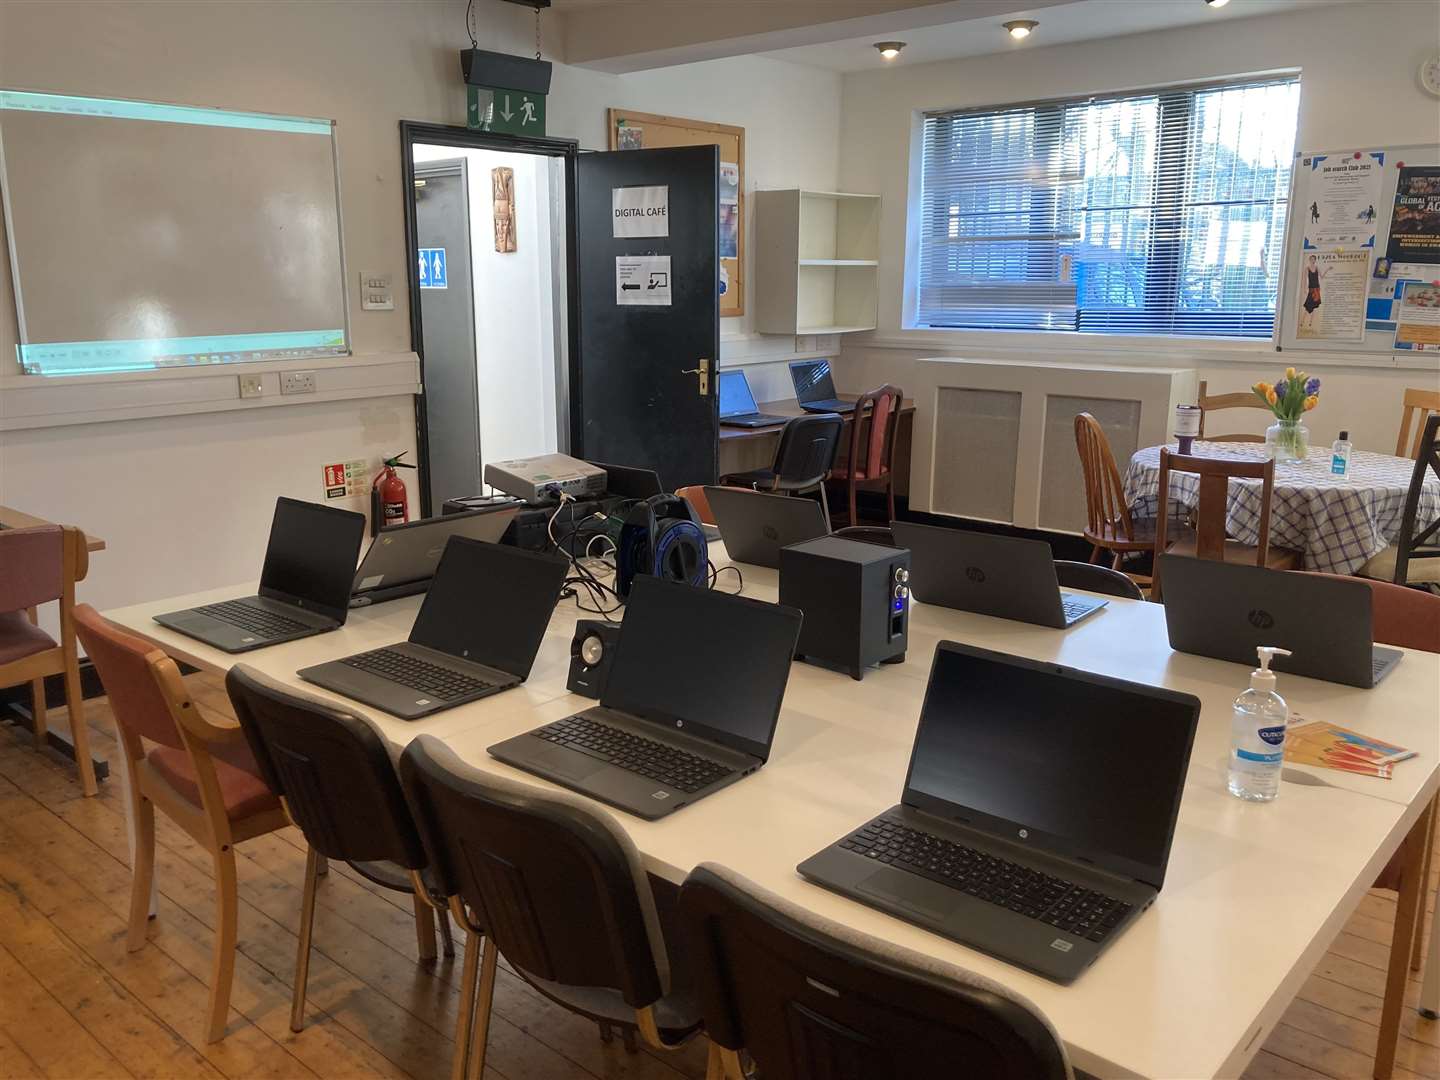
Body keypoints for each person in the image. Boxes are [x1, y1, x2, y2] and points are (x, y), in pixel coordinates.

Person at [1299, 254, 1330, 332]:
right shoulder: (1307, 268)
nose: (1312, 260)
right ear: (1309, 260)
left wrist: (1328, 269)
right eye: (1311, 259)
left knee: (1314, 306)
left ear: (1315, 260)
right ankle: (1302, 322)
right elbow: (1304, 279)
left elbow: (1322, 276)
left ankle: (1310, 323)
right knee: (1307, 306)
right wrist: (1304, 289)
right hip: (1311, 289)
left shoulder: (1317, 268)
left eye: (1314, 259)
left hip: (1317, 289)